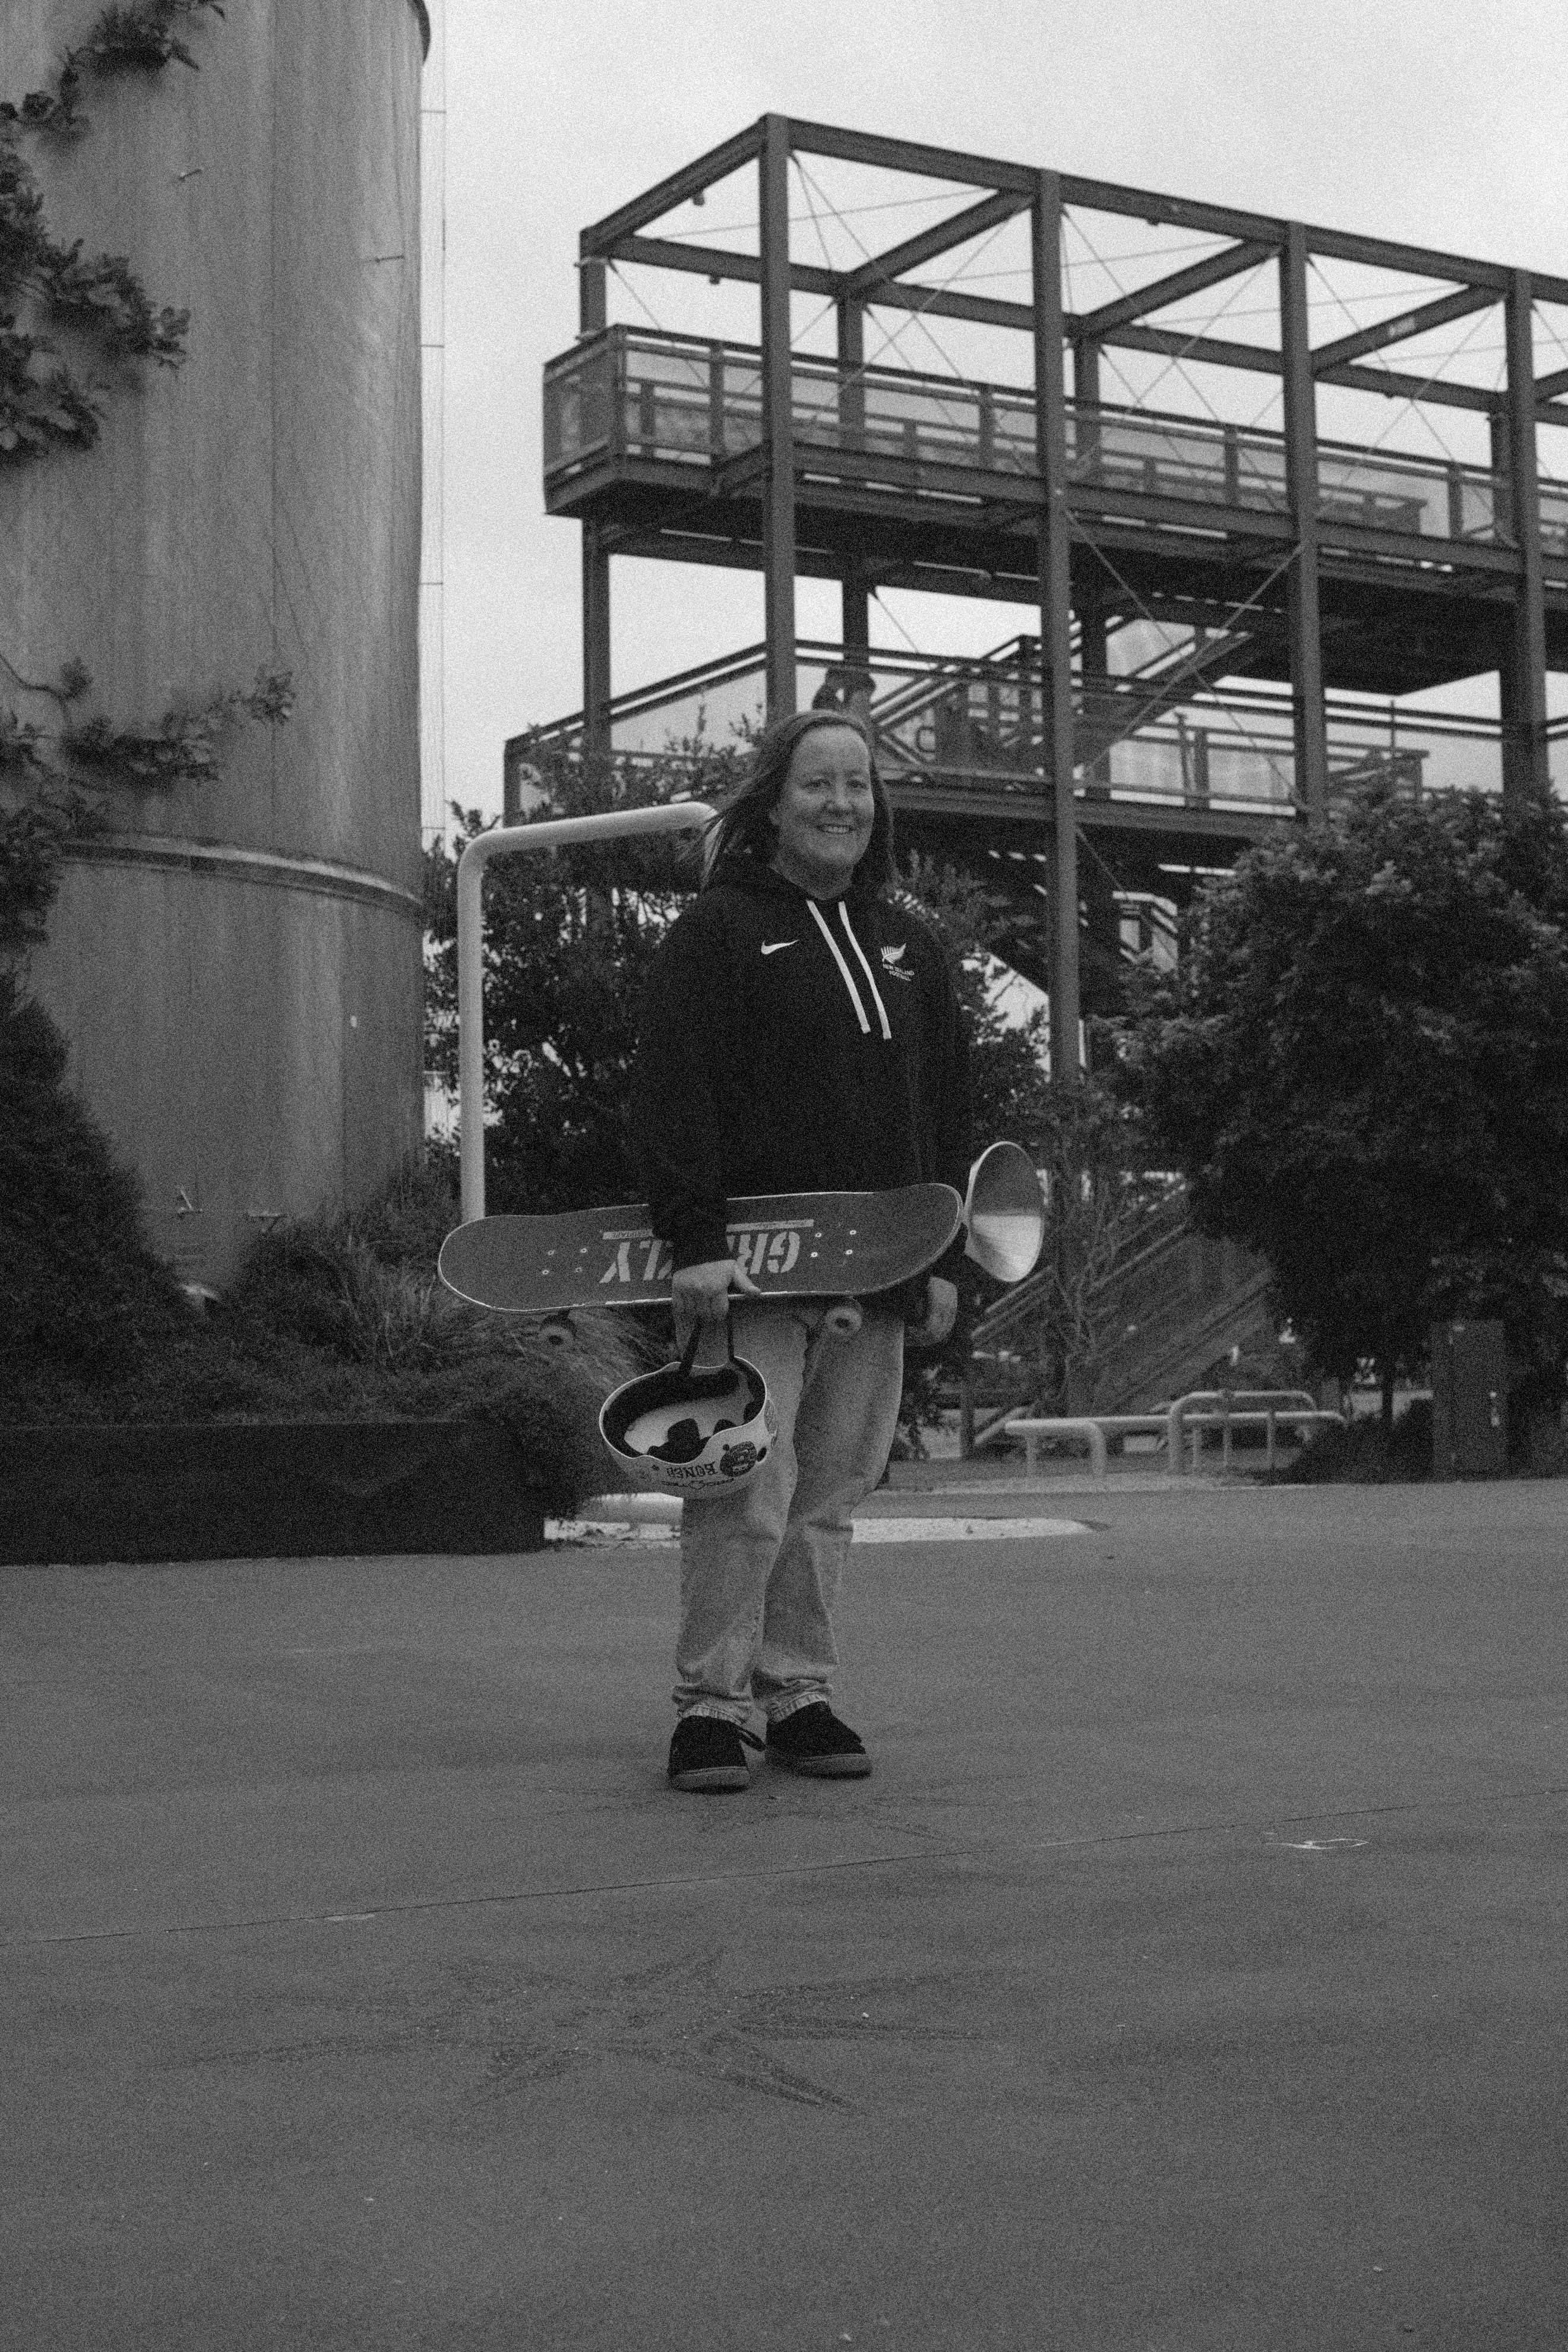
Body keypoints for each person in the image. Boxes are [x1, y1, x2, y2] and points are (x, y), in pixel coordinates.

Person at [630, 708, 973, 1794]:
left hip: (879, 1274)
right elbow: (675, 1090)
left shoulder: (911, 945)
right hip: (750, 1272)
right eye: (818, 784)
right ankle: (711, 1705)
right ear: (773, 804)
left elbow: (948, 1113)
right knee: (744, 1489)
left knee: (830, 1493)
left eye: (858, 785)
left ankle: (796, 1693)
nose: (841, 804)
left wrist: (942, 1258)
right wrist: (695, 1242)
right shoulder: (720, 930)